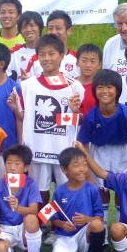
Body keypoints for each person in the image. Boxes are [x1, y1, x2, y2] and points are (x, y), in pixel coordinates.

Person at [17, 34, 84, 203]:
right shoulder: (26, 86)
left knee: (66, 190)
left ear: (62, 55)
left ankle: (61, 225)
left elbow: (79, 121)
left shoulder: (74, 87)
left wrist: (75, 112)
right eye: (42, 54)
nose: (47, 58)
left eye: (51, 53)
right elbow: (23, 117)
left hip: (63, 148)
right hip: (37, 148)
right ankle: (41, 225)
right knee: (41, 191)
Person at [45, 147, 106, 252]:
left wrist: (86, 220)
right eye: (77, 165)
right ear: (64, 169)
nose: (82, 169)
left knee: (96, 225)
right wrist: (62, 224)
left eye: (85, 164)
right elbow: (54, 219)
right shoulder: (59, 191)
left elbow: (99, 218)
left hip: (85, 234)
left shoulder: (92, 189)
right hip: (66, 237)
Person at [77, 70, 127, 201]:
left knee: (122, 188)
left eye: (109, 87)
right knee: (100, 189)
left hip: (123, 151)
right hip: (99, 151)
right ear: (94, 91)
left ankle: (120, 220)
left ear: (117, 91)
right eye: (100, 87)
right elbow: (83, 144)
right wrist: (88, 173)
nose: (104, 91)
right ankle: (102, 221)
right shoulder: (91, 116)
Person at [0, 144, 42, 252]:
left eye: (17, 163)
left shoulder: (31, 184)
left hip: (23, 228)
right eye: (8, 162)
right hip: (5, 228)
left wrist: (17, 208)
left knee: (31, 218)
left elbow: (34, 210)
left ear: (26, 167)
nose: (12, 167)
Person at [23, 10, 79, 80]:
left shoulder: (77, 60)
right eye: (50, 28)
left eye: (58, 28)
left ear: (68, 31)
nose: (54, 32)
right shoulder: (35, 59)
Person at [9, 11, 43, 80]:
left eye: (32, 25)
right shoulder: (13, 53)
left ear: (39, 27)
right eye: (24, 27)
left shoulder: (51, 51)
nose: (28, 30)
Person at [74, 43, 102, 116]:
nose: (88, 65)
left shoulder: (102, 88)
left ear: (99, 65)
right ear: (77, 62)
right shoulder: (70, 85)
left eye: (92, 61)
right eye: (84, 60)